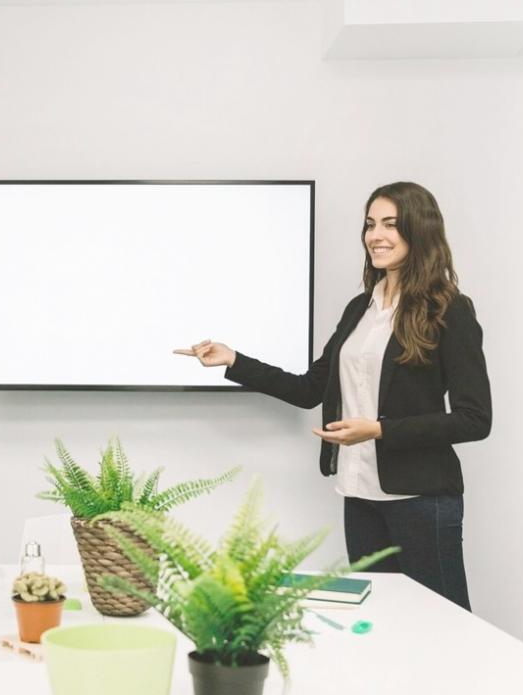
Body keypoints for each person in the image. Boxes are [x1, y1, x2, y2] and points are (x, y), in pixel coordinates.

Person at [177, 182, 490, 610]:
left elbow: (475, 419)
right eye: (369, 225)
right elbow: (310, 389)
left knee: (441, 625)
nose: (375, 235)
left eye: (390, 225)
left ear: (420, 231)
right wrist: (234, 360)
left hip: (422, 501)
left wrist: (378, 430)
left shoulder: (449, 310)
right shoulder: (359, 309)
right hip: (359, 496)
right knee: (379, 623)